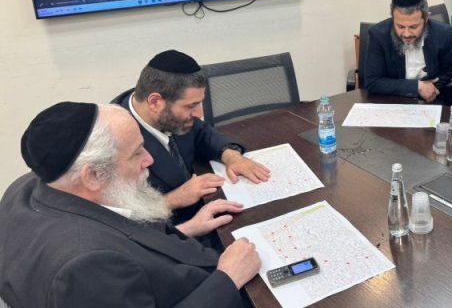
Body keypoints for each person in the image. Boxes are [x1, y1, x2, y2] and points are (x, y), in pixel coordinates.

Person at [0, 102, 261, 307]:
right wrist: (229, 278)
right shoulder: (86, 267)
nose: (149, 160)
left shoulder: (32, 184)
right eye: (136, 153)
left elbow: (116, 236)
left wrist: (186, 229)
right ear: (93, 175)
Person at [111, 50, 270, 224]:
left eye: (199, 103)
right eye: (191, 106)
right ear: (155, 102)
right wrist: (173, 199)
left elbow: (202, 133)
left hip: (207, 204)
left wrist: (231, 156)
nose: (199, 113)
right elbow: (120, 218)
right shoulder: (113, 143)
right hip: (171, 227)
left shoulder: (167, 113)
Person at [364, 0, 452, 104]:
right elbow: (373, 82)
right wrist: (418, 87)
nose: (406, 34)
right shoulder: (378, 35)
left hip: (430, 100)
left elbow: (448, 72)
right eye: (400, 26)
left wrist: (430, 88)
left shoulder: (443, 33)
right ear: (393, 18)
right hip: (392, 100)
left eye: (414, 27)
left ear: (426, 19)